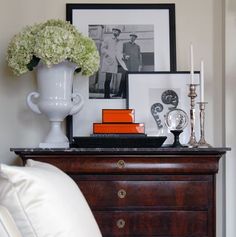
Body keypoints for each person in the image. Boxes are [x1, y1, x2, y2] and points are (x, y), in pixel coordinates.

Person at [100, 26, 128, 99]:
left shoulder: (120, 42)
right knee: (108, 79)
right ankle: (106, 96)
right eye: (115, 30)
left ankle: (120, 93)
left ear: (119, 33)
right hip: (109, 62)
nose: (117, 32)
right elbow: (102, 49)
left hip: (118, 62)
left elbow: (120, 52)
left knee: (125, 73)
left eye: (118, 31)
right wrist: (108, 55)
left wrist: (123, 56)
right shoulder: (107, 39)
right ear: (113, 31)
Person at [113, 33, 142, 98]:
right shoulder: (125, 44)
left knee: (131, 80)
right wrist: (125, 56)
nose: (132, 38)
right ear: (130, 37)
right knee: (123, 79)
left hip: (134, 66)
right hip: (126, 65)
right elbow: (121, 52)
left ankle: (129, 94)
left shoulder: (137, 47)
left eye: (134, 37)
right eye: (131, 36)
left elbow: (139, 56)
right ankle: (119, 93)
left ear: (135, 38)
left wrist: (140, 65)